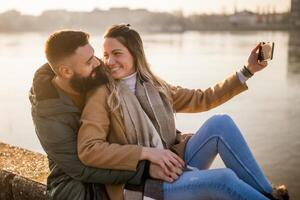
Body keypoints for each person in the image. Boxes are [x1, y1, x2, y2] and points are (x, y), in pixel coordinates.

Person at [77, 24, 289, 200]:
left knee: (221, 123)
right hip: (141, 184)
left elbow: (202, 99)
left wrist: (247, 70)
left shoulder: (155, 85)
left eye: (116, 54)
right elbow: (89, 149)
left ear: (135, 54)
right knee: (223, 179)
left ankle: (268, 194)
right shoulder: (102, 94)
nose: (109, 62)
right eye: (105, 55)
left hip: (172, 161)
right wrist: (146, 153)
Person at [29, 30, 152, 200]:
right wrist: (145, 169)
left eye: (94, 55)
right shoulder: (48, 114)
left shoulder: (96, 73)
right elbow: (80, 168)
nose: (99, 63)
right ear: (66, 72)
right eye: (89, 61)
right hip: (76, 179)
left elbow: (142, 95)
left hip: (120, 158)